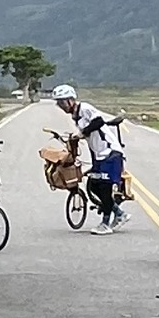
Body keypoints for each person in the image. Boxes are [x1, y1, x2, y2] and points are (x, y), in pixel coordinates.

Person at [51, 83, 130, 230]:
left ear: (71, 100)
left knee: (104, 187)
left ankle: (106, 223)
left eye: (62, 102)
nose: (61, 106)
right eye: (59, 103)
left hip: (110, 152)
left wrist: (82, 133)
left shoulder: (85, 108)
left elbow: (98, 121)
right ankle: (119, 214)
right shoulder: (76, 116)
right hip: (98, 155)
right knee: (93, 186)